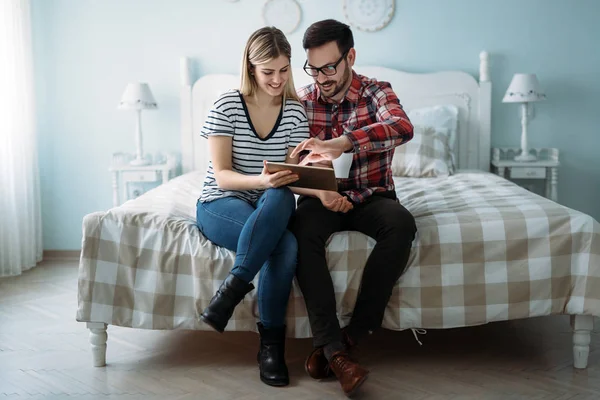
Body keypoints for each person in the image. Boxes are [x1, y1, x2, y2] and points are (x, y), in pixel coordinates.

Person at [289, 19, 418, 396]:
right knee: (300, 230)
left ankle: (353, 335)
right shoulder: (302, 100)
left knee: (402, 225)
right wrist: (307, 168)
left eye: (330, 67)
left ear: (351, 57)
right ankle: (332, 348)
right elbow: (288, 157)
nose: (321, 77)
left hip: (374, 195)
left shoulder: (377, 91)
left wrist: (343, 142)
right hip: (322, 198)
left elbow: (401, 127)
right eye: (314, 68)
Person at [195, 26, 309, 387]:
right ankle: (272, 344)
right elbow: (224, 176)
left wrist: (319, 188)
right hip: (220, 202)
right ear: (251, 68)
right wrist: (262, 180)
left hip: (268, 202)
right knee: (284, 244)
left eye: (284, 70)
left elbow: (289, 175)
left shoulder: (294, 112)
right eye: (268, 71)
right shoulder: (226, 104)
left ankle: (230, 292)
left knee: (280, 195)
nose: (277, 80)